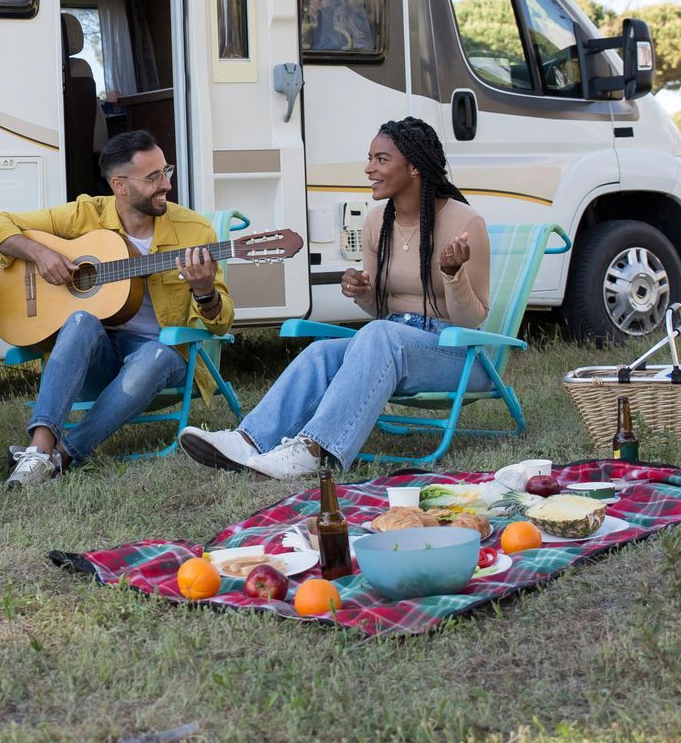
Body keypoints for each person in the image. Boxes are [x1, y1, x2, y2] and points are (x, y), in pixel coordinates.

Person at [179, 116, 490, 477]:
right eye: (369, 158)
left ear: (415, 167)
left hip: (457, 355)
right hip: (393, 343)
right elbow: (381, 314)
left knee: (379, 335)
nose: (369, 168)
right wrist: (362, 293)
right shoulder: (378, 222)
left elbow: (473, 320)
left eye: (381, 159)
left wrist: (452, 275)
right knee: (320, 352)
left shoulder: (465, 224)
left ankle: (312, 449)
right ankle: (248, 441)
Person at [0, 130, 234, 489]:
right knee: (81, 318)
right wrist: (40, 253)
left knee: (158, 355)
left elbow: (220, 325)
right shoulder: (86, 214)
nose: (166, 185)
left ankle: (63, 456)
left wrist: (205, 291)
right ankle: (39, 448)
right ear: (120, 186)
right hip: (96, 357)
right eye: (153, 177)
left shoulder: (195, 231)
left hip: (159, 357)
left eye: (167, 172)